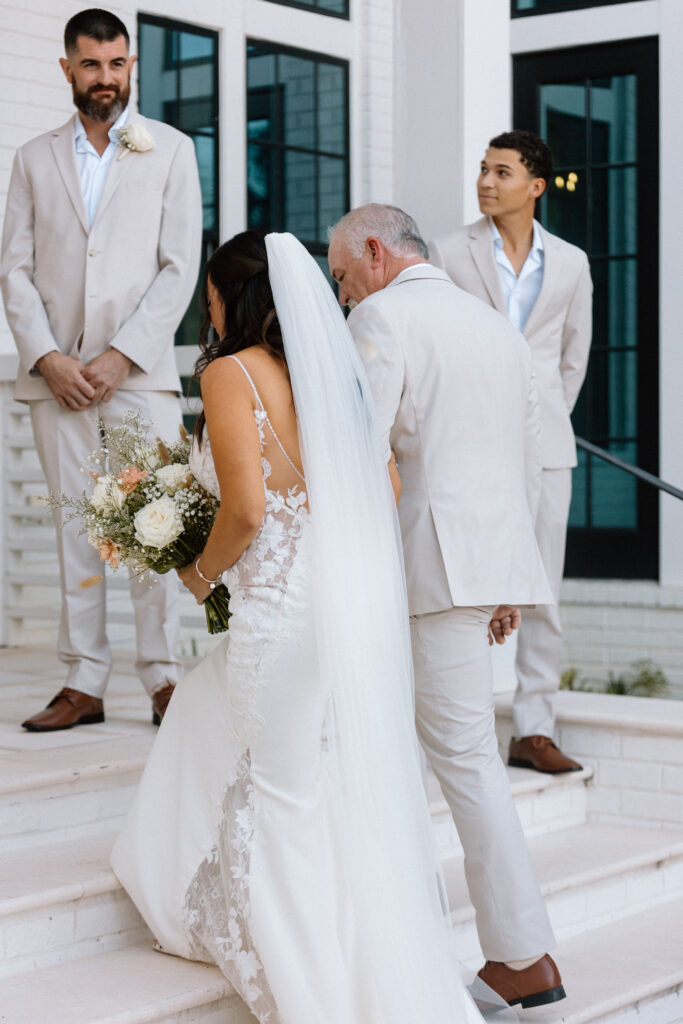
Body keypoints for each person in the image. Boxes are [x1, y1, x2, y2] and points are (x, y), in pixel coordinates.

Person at [111, 230, 516, 1024]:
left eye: (211, 294)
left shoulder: (232, 374)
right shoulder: (336, 380)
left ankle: (314, 991)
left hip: (282, 618)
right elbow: (385, 487)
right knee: (268, 753)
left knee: (282, 791)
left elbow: (247, 510)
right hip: (340, 615)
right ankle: (283, 924)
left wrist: (199, 575)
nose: (208, 309)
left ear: (231, 297)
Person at [328, 203, 566, 1010]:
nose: (342, 292)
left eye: (341, 275)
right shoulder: (493, 324)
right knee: (456, 755)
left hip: (428, 569)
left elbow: (355, 454)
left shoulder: (384, 320)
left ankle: (521, 954)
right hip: (483, 567)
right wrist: (510, 580)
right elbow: (523, 459)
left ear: (372, 252)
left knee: (463, 760)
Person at [0, 8, 202, 730]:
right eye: (92, 65)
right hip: (55, 378)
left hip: (137, 375)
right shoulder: (32, 157)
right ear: (67, 69)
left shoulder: (172, 151)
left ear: (131, 66)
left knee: (156, 521)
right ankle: (83, 680)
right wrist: (48, 357)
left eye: (118, 65)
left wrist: (123, 355)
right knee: (74, 529)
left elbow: (181, 267)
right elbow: (13, 269)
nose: (106, 79)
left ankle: (162, 677)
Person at [430, 130, 592, 775]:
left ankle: (533, 729)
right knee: (462, 578)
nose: (486, 182)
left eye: (502, 172)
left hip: (548, 444)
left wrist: (540, 416)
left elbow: (572, 357)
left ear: (536, 186)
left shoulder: (573, 263)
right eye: (483, 170)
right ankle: (454, 724)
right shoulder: (448, 252)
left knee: (541, 588)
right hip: (467, 442)